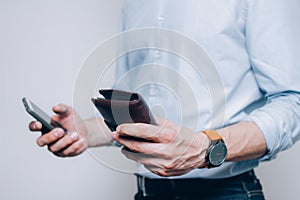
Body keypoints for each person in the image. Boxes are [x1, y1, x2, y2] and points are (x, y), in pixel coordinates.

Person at [29, 1, 300, 199]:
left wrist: (205, 148)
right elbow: (136, 114)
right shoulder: (135, 5)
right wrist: (86, 132)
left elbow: (293, 102)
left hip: (225, 192)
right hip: (149, 193)